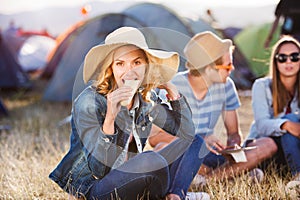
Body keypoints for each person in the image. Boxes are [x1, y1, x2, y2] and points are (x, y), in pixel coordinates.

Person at [49, 27, 207, 200]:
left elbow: (186, 131)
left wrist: (173, 94)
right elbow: (98, 170)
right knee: (151, 160)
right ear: (111, 69)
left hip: (129, 177)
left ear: (146, 66)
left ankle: (175, 196)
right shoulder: (89, 102)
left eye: (137, 62)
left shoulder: (146, 98)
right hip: (93, 188)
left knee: (196, 141)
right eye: (120, 63)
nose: (129, 71)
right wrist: (110, 118)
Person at [149, 31, 277, 183]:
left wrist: (233, 146)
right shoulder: (174, 86)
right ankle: (231, 176)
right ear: (209, 68)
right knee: (161, 150)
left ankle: (208, 179)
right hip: (185, 153)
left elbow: (234, 133)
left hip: (212, 154)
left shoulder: (227, 86)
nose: (232, 69)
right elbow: (155, 137)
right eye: (227, 66)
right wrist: (199, 141)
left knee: (267, 145)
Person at [248, 35, 300, 194]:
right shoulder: (261, 86)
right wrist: (287, 125)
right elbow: (262, 125)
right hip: (265, 144)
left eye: (295, 56)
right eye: (282, 58)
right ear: (275, 62)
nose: (289, 62)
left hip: (292, 148)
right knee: (290, 119)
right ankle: (297, 177)